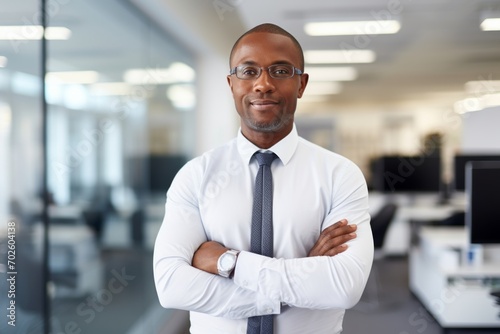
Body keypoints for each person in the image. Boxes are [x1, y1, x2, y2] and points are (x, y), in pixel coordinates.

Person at [153, 23, 374, 334]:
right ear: (231, 83)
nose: (263, 84)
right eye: (248, 71)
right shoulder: (196, 176)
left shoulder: (340, 175)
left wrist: (227, 262)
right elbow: (171, 286)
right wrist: (298, 281)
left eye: (281, 71)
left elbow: (343, 287)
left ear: (301, 84)